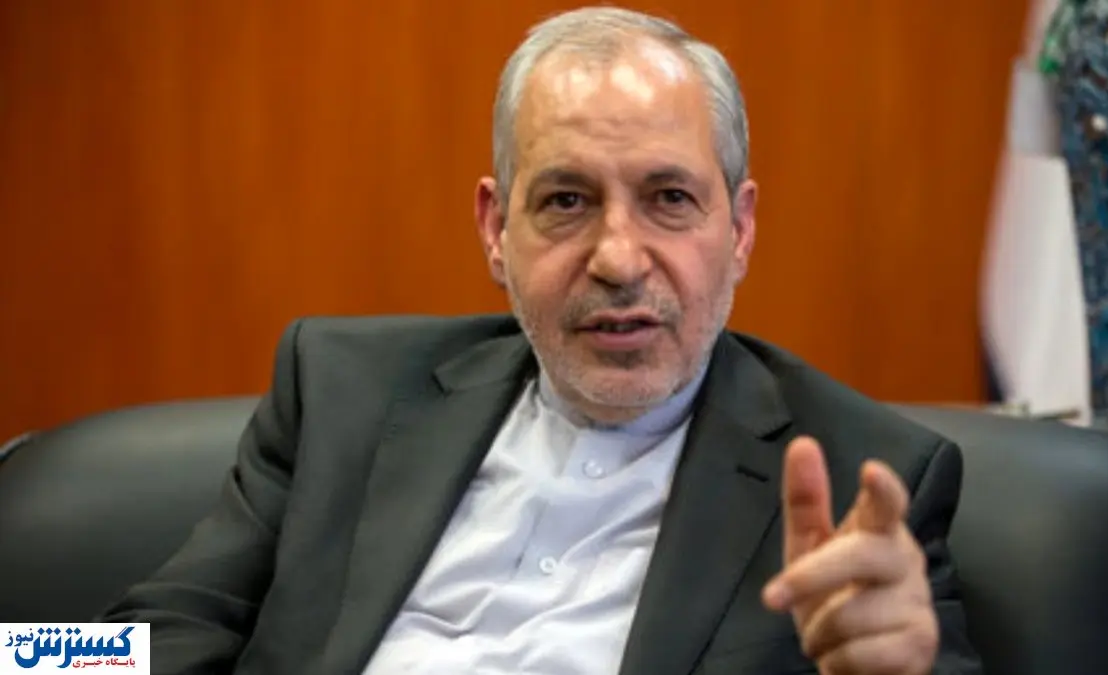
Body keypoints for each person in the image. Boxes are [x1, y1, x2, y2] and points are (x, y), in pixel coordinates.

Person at [102, 6, 982, 674]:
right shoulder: (339, 391)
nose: (619, 258)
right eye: (566, 200)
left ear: (741, 229)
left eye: (670, 198)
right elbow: (132, 640)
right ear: (495, 228)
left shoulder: (869, 478)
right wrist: (34, 653)